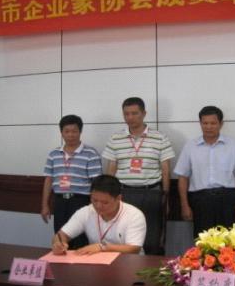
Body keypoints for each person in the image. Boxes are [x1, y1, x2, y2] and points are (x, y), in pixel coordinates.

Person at [102, 97, 174, 255]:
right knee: (123, 237)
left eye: (134, 113)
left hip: (152, 193)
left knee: (152, 238)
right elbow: (111, 169)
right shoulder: (115, 138)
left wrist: (166, 197)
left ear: (144, 113)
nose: (130, 117)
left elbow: (166, 170)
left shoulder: (160, 137)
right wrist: (107, 196)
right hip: (124, 194)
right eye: (126, 114)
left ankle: (154, 269)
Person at [175, 106, 235, 238]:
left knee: (230, 241)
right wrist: (184, 205)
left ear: (221, 124)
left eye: (213, 123)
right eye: (205, 123)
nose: (209, 127)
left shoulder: (233, 145)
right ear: (200, 123)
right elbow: (183, 177)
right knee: (203, 242)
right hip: (200, 201)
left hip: (228, 200)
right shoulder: (190, 146)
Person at [41, 114, 102, 249]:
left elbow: (96, 182)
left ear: (80, 132)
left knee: (80, 239)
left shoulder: (91, 153)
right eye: (67, 131)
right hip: (60, 202)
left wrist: (95, 205)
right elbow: (48, 180)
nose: (70, 135)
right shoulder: (53, 154)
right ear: (61, 133)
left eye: (74, 131)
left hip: (81, 201)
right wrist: (45, 205)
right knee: (60, 239)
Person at [52, 175, 146, 255]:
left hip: (128, 262)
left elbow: (134, 249)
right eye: (94, 200)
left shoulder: (134, 215)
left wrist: (102, 247)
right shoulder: (86, 212)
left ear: (118, 198)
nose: (98, 206)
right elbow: (61, 235)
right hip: (97, 262)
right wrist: (58, 243)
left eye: (105, 202)